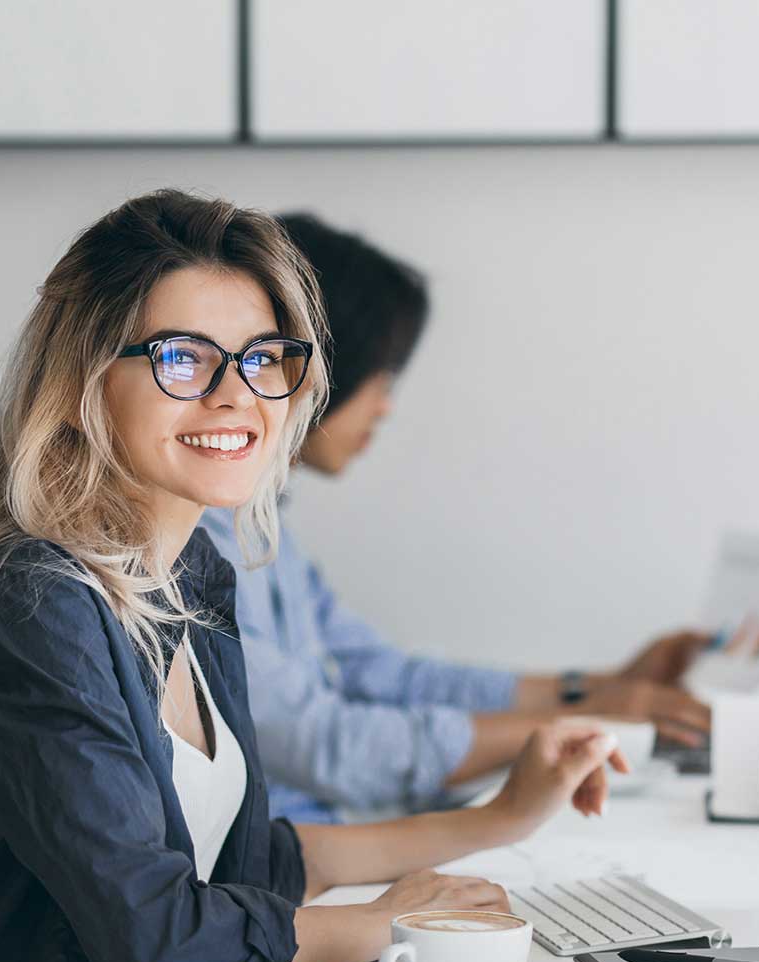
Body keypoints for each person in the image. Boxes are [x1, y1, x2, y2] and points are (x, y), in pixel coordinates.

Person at [0, 191, 628, 962]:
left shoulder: (190, 576)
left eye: (263, 358)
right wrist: (390, 922)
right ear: (85, 380)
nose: (236, 394)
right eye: (182, 358)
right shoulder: (34, 604)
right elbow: (160, 944)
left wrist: (499, 819)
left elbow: (250, 864)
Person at [200, 214, 710, 823]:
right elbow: (326, 744)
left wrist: (596, 691)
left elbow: (382, 674)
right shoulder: (198, 544)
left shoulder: (264, 530)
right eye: (380, 375)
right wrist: (581, 722)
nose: (386, 406)